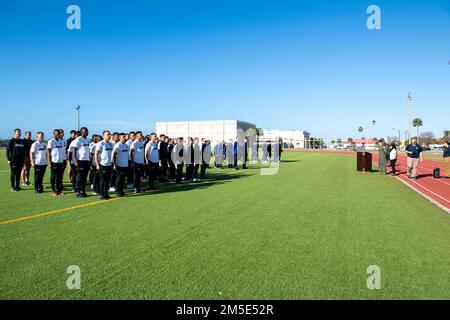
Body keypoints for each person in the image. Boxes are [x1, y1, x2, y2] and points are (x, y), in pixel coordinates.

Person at [73, 127, 91, 198]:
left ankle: (83, 191)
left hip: (87, 161)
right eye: (86, 131)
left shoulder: (87, 140)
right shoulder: (78, 139)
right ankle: (78, 192)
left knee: (84, 178)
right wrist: (75, 161)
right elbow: (74, 150)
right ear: (82, 132)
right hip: (80, 161)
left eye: (87, 131)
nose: (87, 132)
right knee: (80, 177)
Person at [95, 131, 114, 200]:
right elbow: (96, 154)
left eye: (110, 134)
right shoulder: (101, 143)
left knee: (108, 180)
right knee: (103, 180)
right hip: (103, 165)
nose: (109, 135)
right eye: (108, 134)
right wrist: (97, 164)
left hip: (109, 164)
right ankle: (102, 194)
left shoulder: (110, 144)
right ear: (103, 136)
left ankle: (106, 193)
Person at [47, 129, 65, 196]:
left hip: (60, 161)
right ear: (54, 134)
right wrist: (49, 162)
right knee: (53, 176)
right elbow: (48, 152)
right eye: (57, 134)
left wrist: (63, 160)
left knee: (59, 177)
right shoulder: (51, 141)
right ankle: (53, 190)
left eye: (59, 134)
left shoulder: (60, 141)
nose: (58, 135)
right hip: (54, 161)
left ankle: (59, 190)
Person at [112, 133, 129, 197]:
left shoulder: (126, 145)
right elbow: (113, 155)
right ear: (120, 137)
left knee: (123, 179)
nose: (125, 137)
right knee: (119, 178)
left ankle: (121, 190)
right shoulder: (118, 145)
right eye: (123, 136)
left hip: (125, 165)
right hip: (119, 165)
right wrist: (114, 164)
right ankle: (118, 191)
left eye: (125, 136)